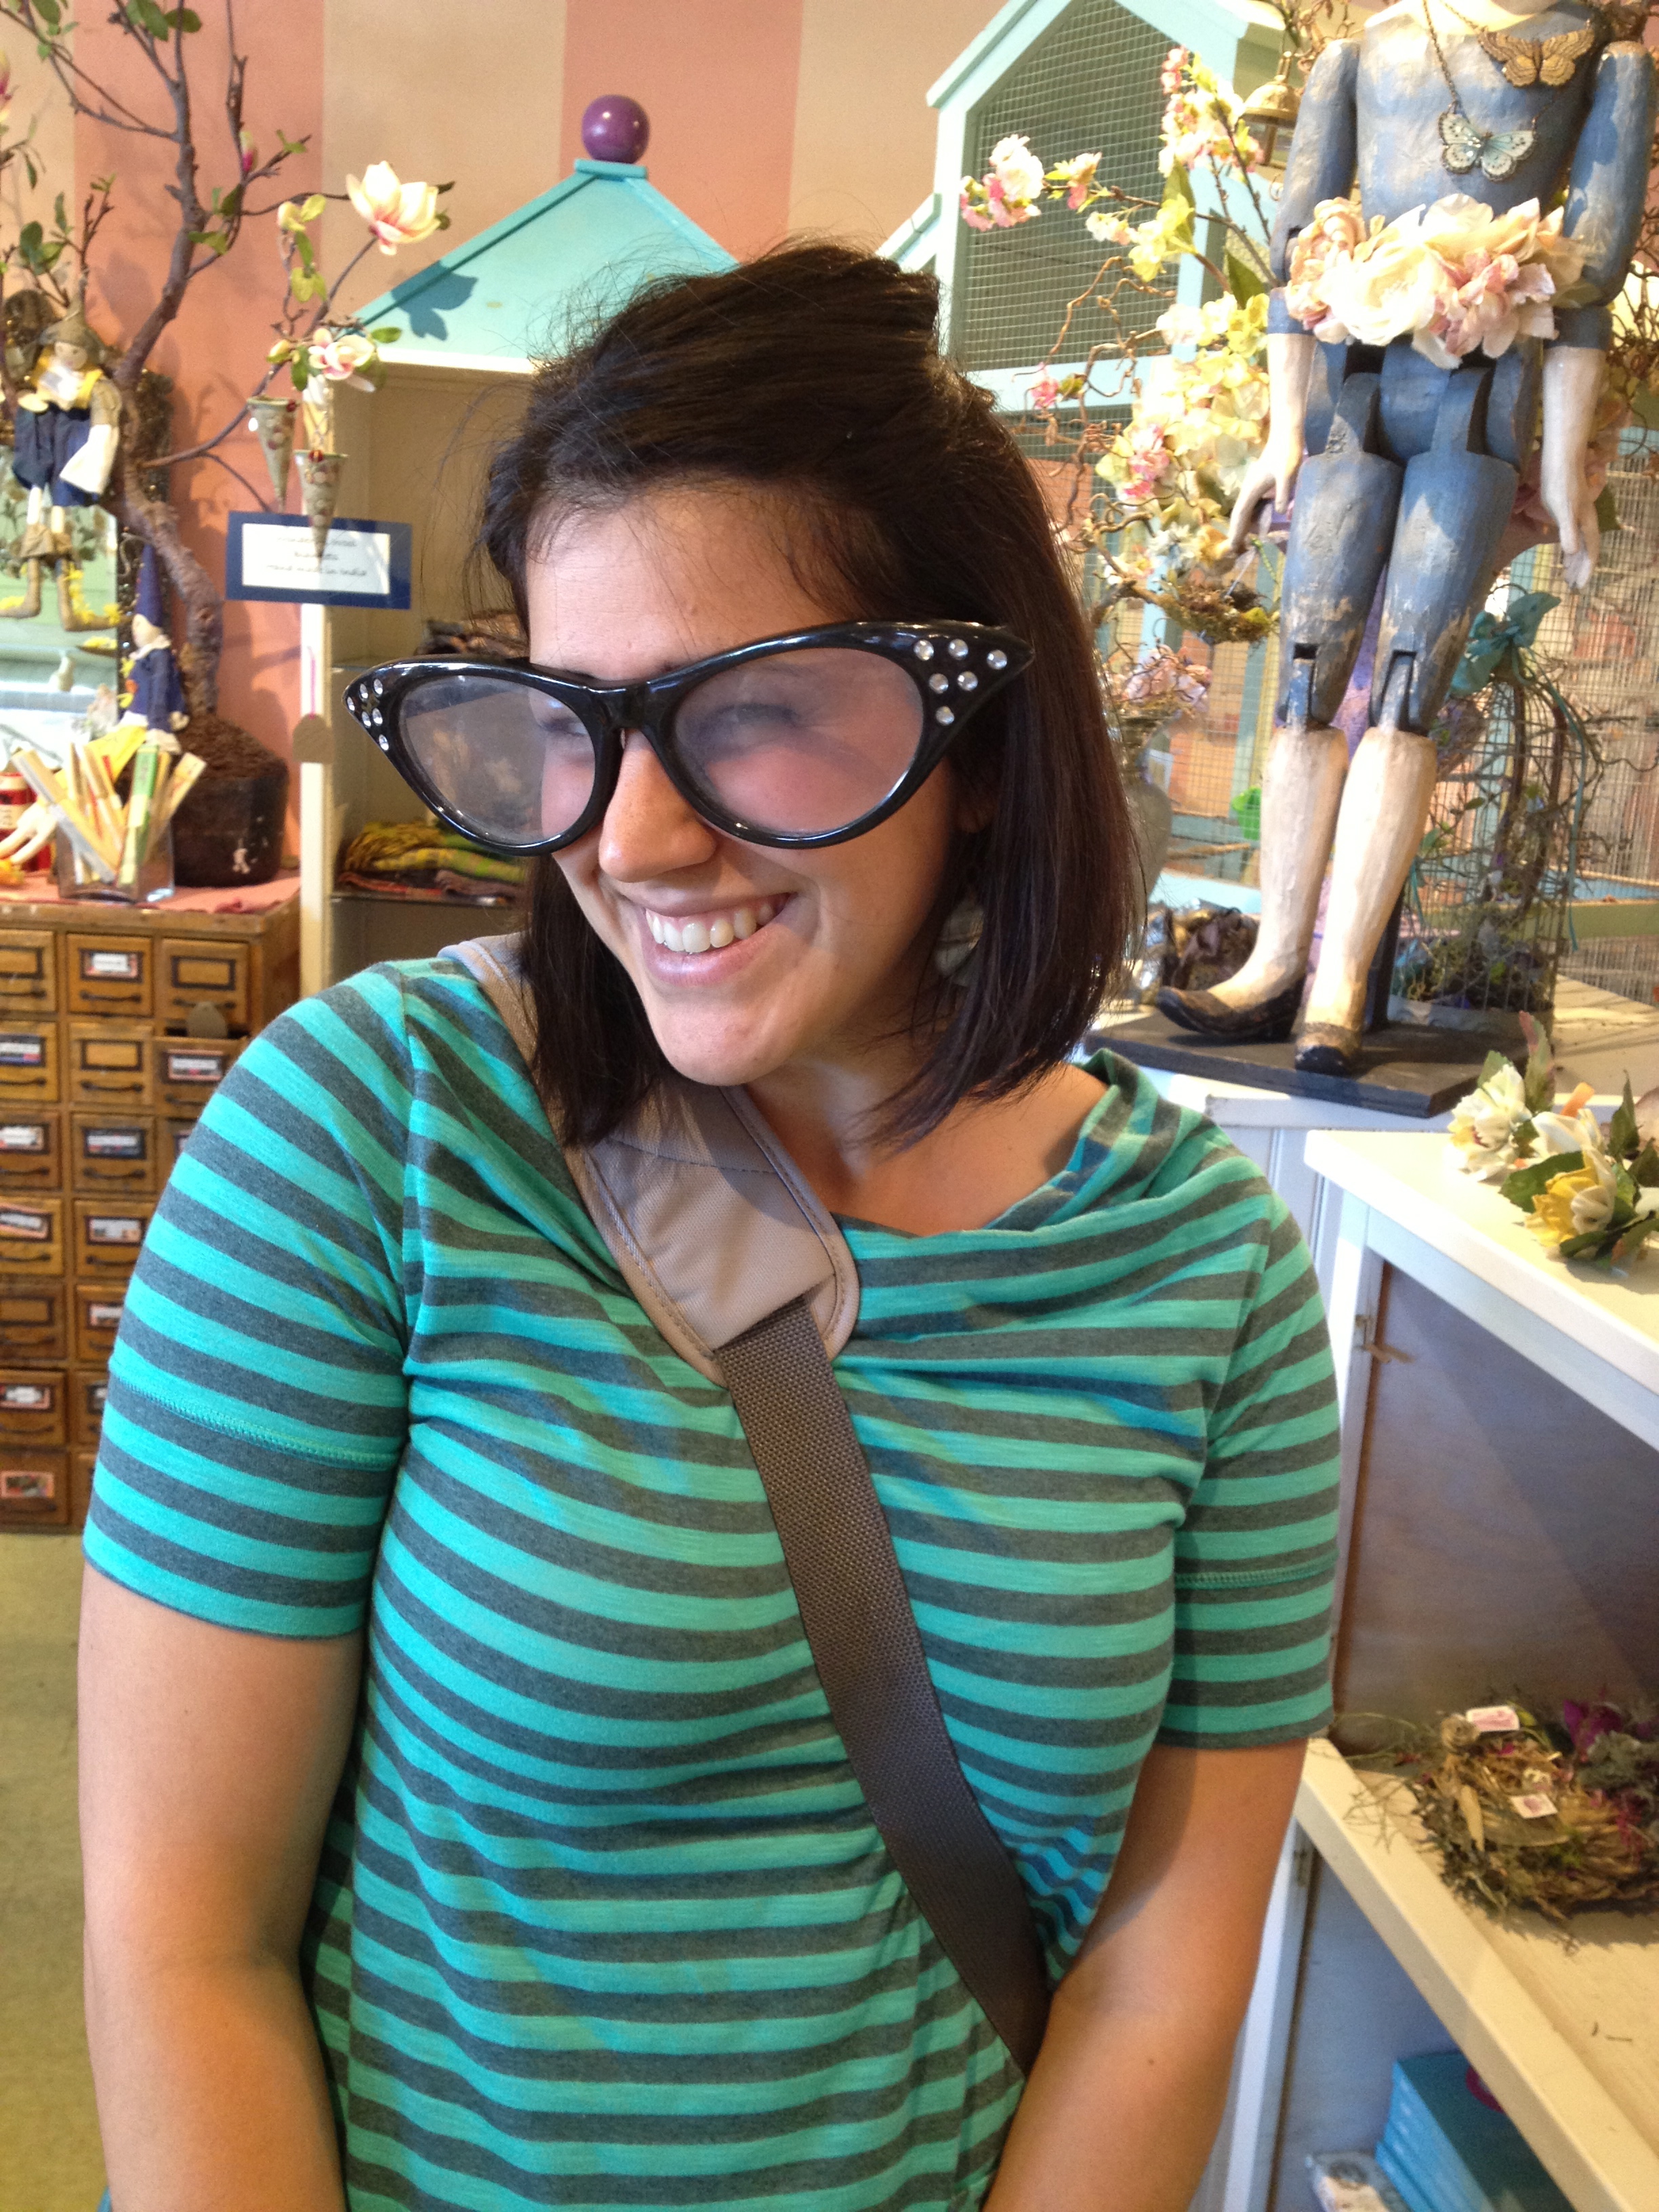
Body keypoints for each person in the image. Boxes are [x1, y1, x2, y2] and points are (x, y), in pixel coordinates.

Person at [78, 243, 1341, 2212]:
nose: (631, 838)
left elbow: (1162, 1976)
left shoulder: (1215, 1281)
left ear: (983, 745)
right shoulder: (375, 1134)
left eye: (753, 714)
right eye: (564, 722)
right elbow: (184, 1937)